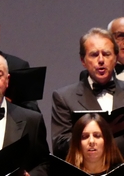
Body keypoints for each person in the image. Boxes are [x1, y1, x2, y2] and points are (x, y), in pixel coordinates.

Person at [52, 28, 124, 158]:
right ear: (83, 61)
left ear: (115, 58)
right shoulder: (65, 97)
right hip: (84, 174)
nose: (101, 60)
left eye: (107, 54)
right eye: (94, 54)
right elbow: (60, 145)